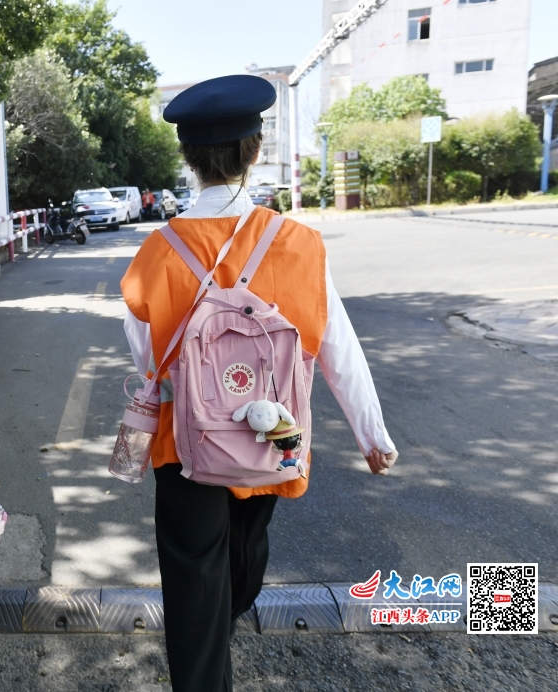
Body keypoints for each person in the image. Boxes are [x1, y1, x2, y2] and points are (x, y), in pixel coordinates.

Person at [120, 75, 399, 692]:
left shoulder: (156, 252)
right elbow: (337, 346)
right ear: (255, 150)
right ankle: (224, 620)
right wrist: (371, 435)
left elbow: (145, 355)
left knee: (195, 584)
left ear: (188, 159)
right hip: (273, 436)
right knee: (245, 562)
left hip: (184, 449)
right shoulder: (299, 245)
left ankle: (205, 657)